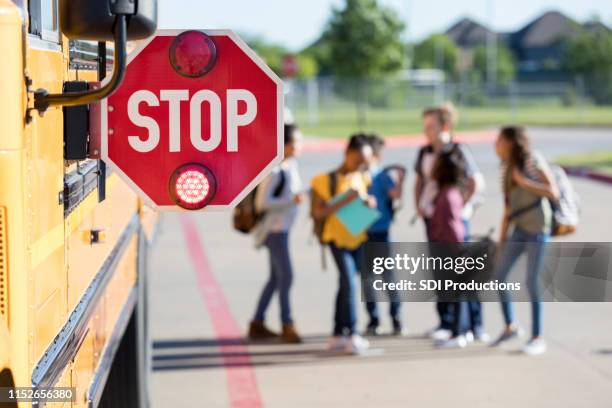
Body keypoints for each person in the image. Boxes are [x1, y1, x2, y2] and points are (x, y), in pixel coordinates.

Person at [413, 104, 488, 343]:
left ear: (445, 126)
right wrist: (419, 204)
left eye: (431, 126)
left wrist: (461, 206)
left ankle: (472, 324)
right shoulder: (425, 152)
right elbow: (420, 181)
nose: (427, 131)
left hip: (452, 218)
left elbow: (476, 181)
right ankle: (447, 321)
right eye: (425, 127)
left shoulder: (457, 151)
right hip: (432, 216)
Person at [492, 126, 559, 355]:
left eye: (499, 140)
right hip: (519, 229)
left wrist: (523, 181)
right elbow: (508, 207)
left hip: (539, 229)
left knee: (532, 282)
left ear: (511, 142)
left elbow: (553, 191)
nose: (496, 145)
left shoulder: (532, 161)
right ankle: (510, 326)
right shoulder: (505, 168)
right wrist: (501, 242)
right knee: (499, 275)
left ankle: (537, 337)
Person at [311, 134, 377, 354]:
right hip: (336, 239)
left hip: (357, 236)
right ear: (347, 154)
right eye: (358, 159)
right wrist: (342, 202)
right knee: (350, 283)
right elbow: (317, 212)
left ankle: (338, 332)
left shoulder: (363, 177)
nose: (361, 164)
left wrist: (368, 202)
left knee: (345, 285)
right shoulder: (325, 180)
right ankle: (353, 333)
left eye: (365, 161)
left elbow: (366, 201)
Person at [248, 123, 305, 343]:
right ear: (287, 145)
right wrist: (291, 200)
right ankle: (287, 324)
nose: (300, 146)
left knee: (275, 278)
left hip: (283, 228)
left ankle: (257, 322)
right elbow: (263, 203)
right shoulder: (273, 170)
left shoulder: (291, 166)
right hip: (274, 230)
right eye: (297, 142)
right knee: (286, 276)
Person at [363, 134, 406, 336]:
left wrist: (401, 180)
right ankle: (373, 319)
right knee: (368, 279)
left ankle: (396, 317)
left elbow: (395, 195)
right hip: (363, 234)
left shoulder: (381, 176)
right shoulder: (358, 177)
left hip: (382, 232)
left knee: (388, 278)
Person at [428, 149, 471, 348]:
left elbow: (454, 228)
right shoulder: (448, 192)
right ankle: (460, 331)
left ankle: (458, 333)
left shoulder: (448, 195)